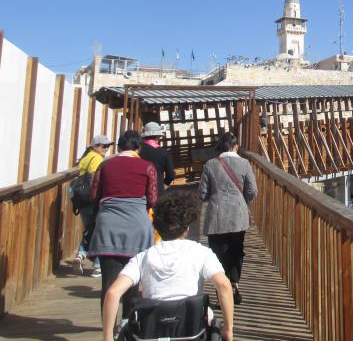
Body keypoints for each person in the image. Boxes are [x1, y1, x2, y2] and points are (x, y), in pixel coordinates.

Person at [101, 192, 234, 341]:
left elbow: (113, 293)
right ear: (186, 229)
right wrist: (228, 331)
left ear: (157, 229)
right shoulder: (201, 252)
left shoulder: (142, 258)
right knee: (209, 316)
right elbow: (224, 285)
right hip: (192, 330)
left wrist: (107, 337)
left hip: (151, 331)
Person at [88, 130, 158, 320]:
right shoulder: (147, 167)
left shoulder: (104, 165)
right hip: (137, 227)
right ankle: (128, 324)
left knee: (109, 284)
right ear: (138, 148)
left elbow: (94, 196)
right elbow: (152, 199)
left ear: (119, 147)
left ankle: (108, 330)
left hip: (108, 226)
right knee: (133, 283)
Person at [199, 132, 257, 305]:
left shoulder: (210, 165)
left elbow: (202, 193)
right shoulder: (245, 163)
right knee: (236, 251)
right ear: (236, 146)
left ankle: (221, 290)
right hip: (238, 217)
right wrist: (241, 200)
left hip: (216, 217)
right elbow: (253, 190)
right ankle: (235, 283)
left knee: (217, 254)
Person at [72, 134, 112, 277]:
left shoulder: (85, 158)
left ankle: (80, 255)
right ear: (95, 146)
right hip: (92, 201)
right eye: (103, 146)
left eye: (108, 146)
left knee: (90, 230)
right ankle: (97, 266)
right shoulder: (96, 159)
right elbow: (95, 181)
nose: (106, 149)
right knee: (100, 232)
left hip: (81, 202)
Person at [139, 121, 176, 195]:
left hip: (141, 189)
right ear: (157, 136)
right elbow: (171, 174)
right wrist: (165, 185)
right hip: (158, 190)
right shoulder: (164, 152)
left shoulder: (138, 151)